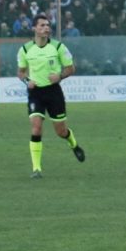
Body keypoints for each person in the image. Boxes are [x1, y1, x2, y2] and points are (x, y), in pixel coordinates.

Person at [17, 14, 85, 178]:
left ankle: (73, 144)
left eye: (47, 25)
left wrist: (60, 76)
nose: (46, 28)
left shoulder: (58, 47)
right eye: (42, 25)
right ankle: (36, 169)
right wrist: (27, 81)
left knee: (61, 132)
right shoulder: (25, 49)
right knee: (36, 127)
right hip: (36, 93)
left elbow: (71, 68)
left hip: (54, 92)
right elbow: (20, 72)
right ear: (34, 28)